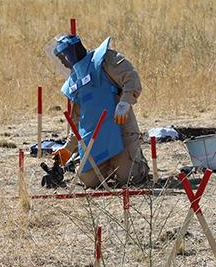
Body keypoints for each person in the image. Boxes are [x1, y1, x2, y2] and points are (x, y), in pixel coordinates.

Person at [47, 34, 149, 188]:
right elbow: (77, 121)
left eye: (63, 57)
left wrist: (124, 102)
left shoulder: (103, 59)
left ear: (71, 52)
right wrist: (68, 148)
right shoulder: (74, 82)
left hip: (120, 130)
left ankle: (137, 163)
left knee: (129, 179)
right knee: (89, 180)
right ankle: (109, 168)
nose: (62, 62)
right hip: (94, 138)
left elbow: (131, 77)